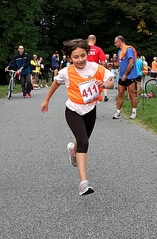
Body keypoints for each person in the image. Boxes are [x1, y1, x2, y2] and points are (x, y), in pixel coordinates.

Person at [40, 38, 113, 196]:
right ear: (69, 58)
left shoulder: (96, 68)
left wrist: (104, 85)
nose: (80, 60)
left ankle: (73, 152)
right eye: (76, 57)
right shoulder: (66, 72)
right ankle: (83, 183)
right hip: (73, 110)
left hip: (90, 110)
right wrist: (46, 100)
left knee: (82, 139)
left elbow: (111, 82)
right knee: (84, 142)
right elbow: (55, 83)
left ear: (87, 54)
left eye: (83, 55)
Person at [112, 35, 138, 119]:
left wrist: (125, 74)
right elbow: (120, 64)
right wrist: (113, 65)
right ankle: (118, 112)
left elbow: (131, 63)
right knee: (120, 93)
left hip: (129, 76)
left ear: (119, 42)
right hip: (121, 76)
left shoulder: (128, 49)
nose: (115, 44)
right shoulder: (120, 52)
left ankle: (134, 112)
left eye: (115, 42)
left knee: (131, 94)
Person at [87, 34, 109, 102]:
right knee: (95, 86)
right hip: (94, 71)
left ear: (88, 40)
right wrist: (104, 69)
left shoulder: (84, 49)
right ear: (95, 40)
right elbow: (103, 62)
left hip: (84, 70)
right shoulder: (98, 49)